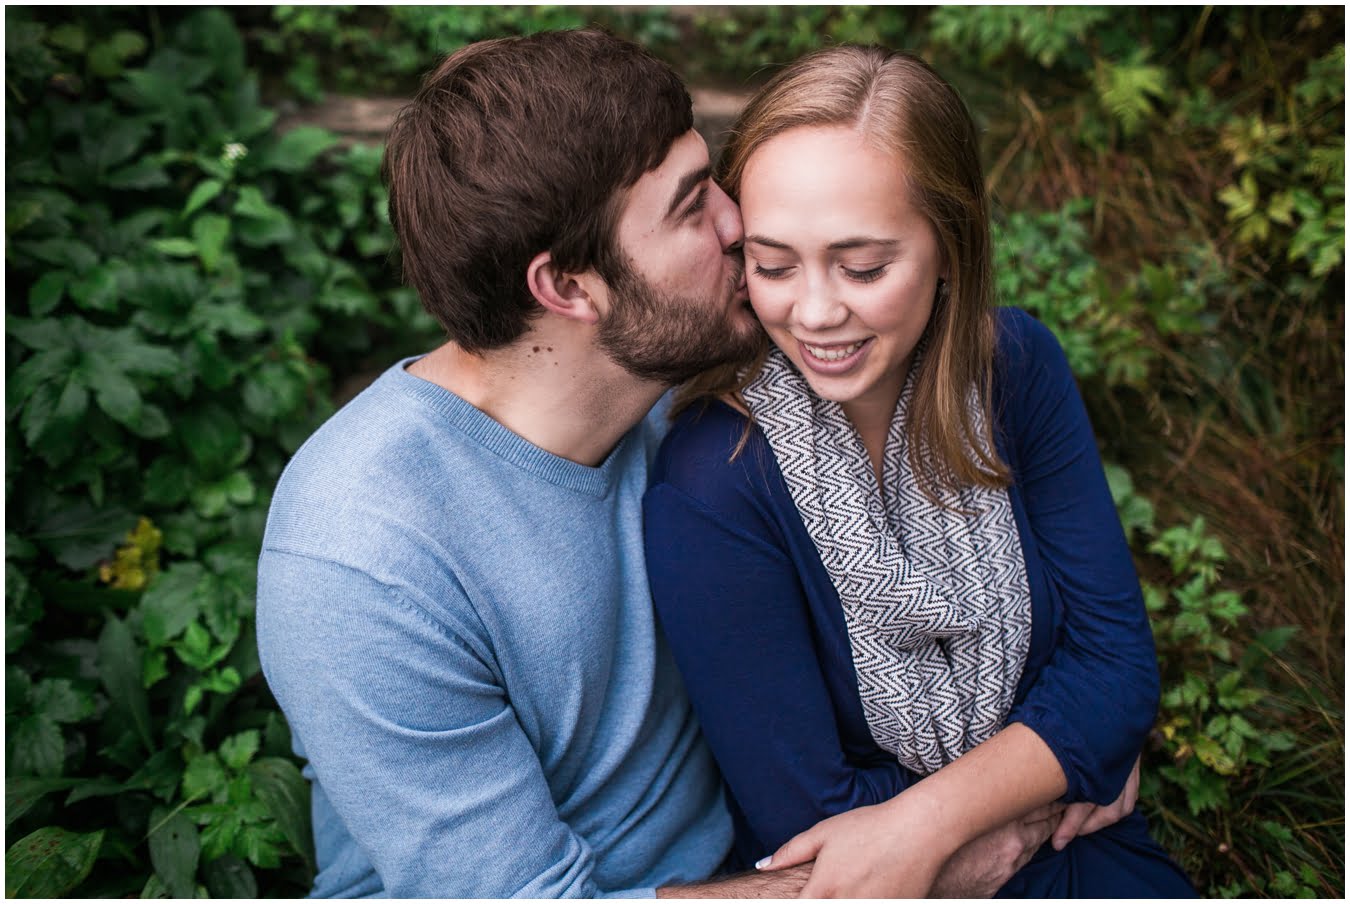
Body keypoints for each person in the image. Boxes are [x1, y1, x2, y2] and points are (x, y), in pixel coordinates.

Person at [256, 30, 1045, 898]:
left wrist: (1031, 774)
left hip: (767, 847)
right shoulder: (364, 562)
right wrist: (932, 856)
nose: (739, 225)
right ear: (569, 289)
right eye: (690, 206)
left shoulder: (711, 378)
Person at [643, 45, 1197, 898]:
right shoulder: (716, 478)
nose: (816, 311)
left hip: (1090, 850)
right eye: (773, 264)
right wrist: (1059, 772)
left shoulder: (1015, 368)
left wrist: (934, 821)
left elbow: (1116, 667)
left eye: (864, 267)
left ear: (950, 246)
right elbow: (811, 818)